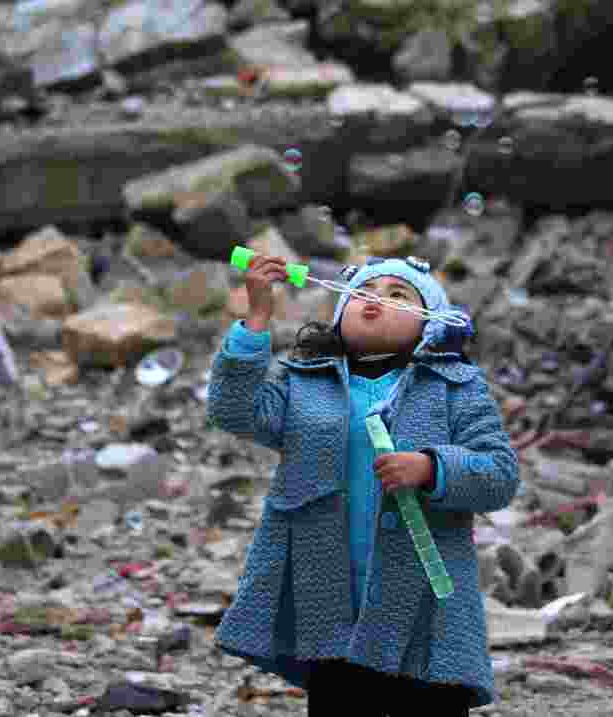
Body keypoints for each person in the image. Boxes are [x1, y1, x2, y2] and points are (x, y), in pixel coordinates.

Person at [205, 253, 520, 716]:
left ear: (429, 322)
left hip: (424, 609)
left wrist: (432, 468)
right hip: (330, 604)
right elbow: (233, 410)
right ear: (339, 313)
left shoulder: (454, 386)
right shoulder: (303, 384)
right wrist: (256, 318)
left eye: (398, 294)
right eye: (364, 293)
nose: (376, 300)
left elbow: (499, 475)